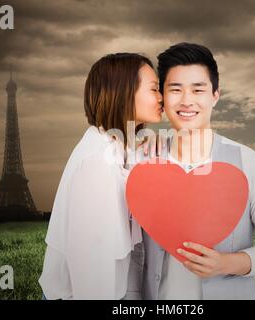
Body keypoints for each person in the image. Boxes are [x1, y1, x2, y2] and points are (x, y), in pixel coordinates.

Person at [141, 43, 255, 300]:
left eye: (198, 89)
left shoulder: (252, 164)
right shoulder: (143, 162)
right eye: (175, 90)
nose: (187, 101)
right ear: (163, 97)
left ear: (215, 95)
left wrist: (227, 263)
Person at [39, 52, 163, 299]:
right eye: (154, 89)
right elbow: (91, 264)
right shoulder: (98, 160)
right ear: (123, 93)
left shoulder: (115, 148)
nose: (162, 97)